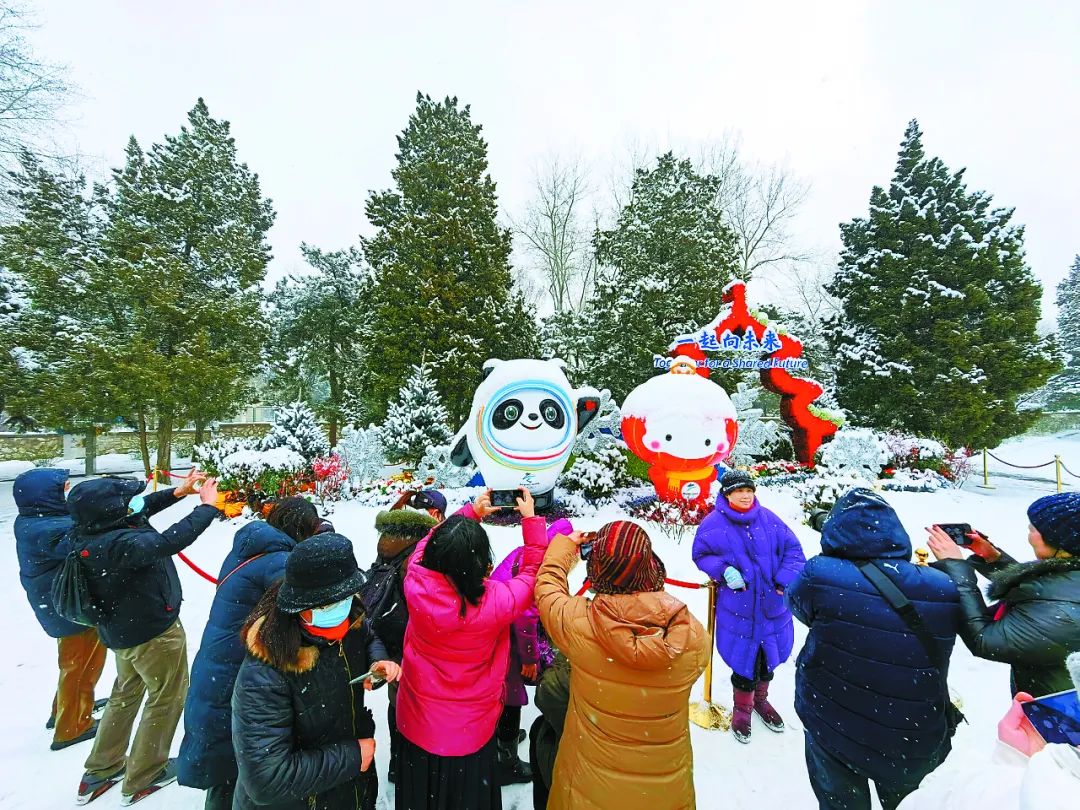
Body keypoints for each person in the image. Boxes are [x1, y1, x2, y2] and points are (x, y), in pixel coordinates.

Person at [787, 488, 962, 810]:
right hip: (912, 721)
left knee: (840, 799)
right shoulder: (941, 584)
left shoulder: (820, 573)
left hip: (833, 714)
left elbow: (800, 609)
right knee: (911, 799)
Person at [535, 520, 709, 810]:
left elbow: (547, 590)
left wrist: (565, 547)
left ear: (598, 570)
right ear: (651, 565)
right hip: (663, 789)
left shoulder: (579, 625)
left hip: (591, 786)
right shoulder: (692, 638)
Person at [69, 472, 220, 806]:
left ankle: (101, 768)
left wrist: (178, 492)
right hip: (154, 634)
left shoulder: (92, 530)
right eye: (125, 501)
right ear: (111, 512)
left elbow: (141, 508)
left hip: (123, 632)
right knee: (166, 697)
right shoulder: (120, 544)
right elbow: (169, 541)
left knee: (126, 693)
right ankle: (144, 774)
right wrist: (208, 508)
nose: (134, 503)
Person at [394, 489, 548, 810]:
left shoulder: (416, 581)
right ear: (480, 562)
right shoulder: (498, 601)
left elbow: (426, 545)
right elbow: (533, 573)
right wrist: (531, 520)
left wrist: (469, 512)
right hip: (471, 734)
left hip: (418, 724)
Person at [231, 533, 400, 810]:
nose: (338, 611)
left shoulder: (349, 619)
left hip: (347, 790)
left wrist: (376, 663)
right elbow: (265, 779)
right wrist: (352, 757)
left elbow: (368, 636)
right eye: (325, 606)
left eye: (343, 600)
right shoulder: (263, 676)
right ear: (298, 606)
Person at [178, 496, 324, 809]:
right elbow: (305, 610)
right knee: (238, 767)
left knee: (225, 766)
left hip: (217, 667)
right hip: (236, 675)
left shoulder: (252, 548)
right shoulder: (279, 563)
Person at [927, 492, 1080, 696]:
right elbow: (1044, 590)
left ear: (1060, 543)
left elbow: (985, 640)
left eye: (1034, 528)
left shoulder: (1063, 612)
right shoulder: (1070, 575)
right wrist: (992, 558)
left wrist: (955, 568)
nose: (1029, 532)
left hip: (1058, 716)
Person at [691, 469, 806, 742]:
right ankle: (742, 708)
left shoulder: (770, 520)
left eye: (749, 490)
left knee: (768, 660)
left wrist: (784, 579)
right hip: (738, 609)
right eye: (738, 491)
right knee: (744, 662)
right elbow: (701, 554)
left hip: (773, 607)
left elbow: (794, 552)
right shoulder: (713, 524)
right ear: (727, 494)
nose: (745, 495)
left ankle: (761, 701)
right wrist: (723, 570)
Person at [896, 651, 1080, 810]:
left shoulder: (1048, 782)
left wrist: (1005, 768)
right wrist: (1014, 760)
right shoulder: (1054, 780)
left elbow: (922, 802)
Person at [13, 467, 107, 751]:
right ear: (46, 496)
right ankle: (72, 726)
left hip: (63, 603)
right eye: (61, 489)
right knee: (79, 663)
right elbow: (86, 541)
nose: (66, 493)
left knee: (77, 661)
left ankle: (69, 707)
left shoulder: (38, 519)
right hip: (69, 607)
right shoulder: (46, 528)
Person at [490, 517, 572, 784]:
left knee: (502, 693)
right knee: (511, 697)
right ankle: (506, 760)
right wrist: (530, 659)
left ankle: (503, 738)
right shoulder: (542, 568)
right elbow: (526, 618)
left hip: (497, 627)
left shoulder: (526, 552)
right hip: (507, 636)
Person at [363, 507, 438, 784]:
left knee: (397, 703)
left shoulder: (388, 546)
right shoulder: (415, 560)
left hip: (389, 643)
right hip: (411, 645)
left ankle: (398, 762)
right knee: (416, 708)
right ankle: (413, 767)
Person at [528, 651, 570, 810]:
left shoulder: (594, 648)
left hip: (585, 769)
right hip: (646, 785)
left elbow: (547, 692)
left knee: (540, 730)